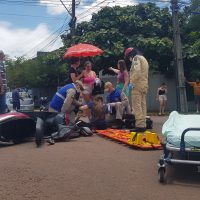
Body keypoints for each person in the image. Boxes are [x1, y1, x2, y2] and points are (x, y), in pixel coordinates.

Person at [124, 47, 149, 132]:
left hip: (137, 85)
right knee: (142, 105)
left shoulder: (136, 58)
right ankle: (143, 124)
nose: (129, 59)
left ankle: (139, 126)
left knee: (136, 105)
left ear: (131, 54)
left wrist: (132, 82)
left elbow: (137, 72)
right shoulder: (143, 58)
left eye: (128, 56)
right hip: (144, 85)